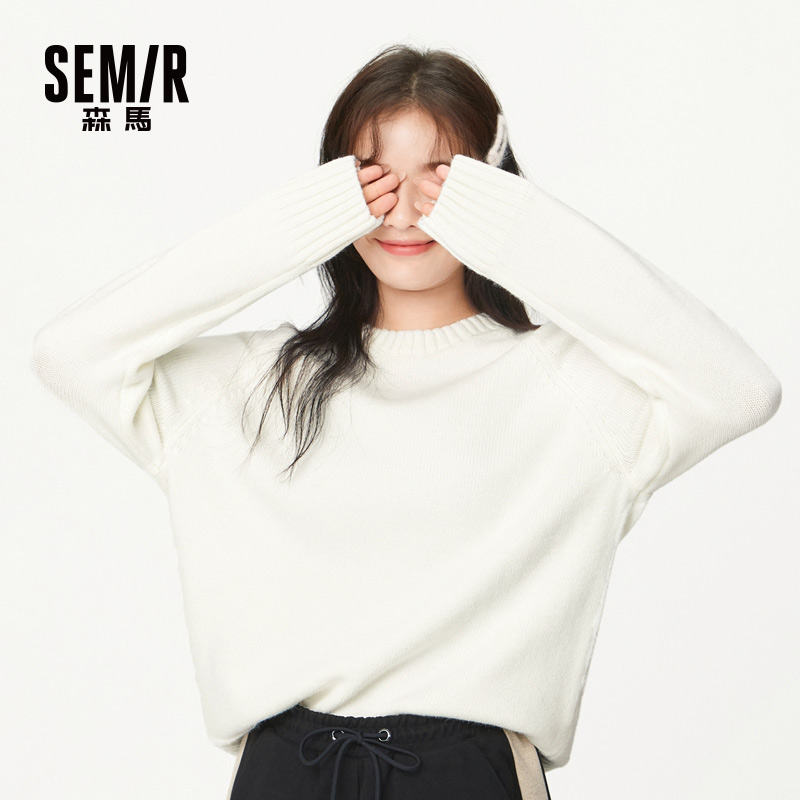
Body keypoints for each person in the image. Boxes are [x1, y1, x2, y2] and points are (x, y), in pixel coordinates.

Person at [29, 43, 782, 800]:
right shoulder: (248, 384)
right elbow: (71, 354)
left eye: (443, 177)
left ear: (492, 194)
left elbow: (739, 390)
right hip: (286, 773)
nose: (405, 208)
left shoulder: (570, 390)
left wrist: (514, 228)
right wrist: (303, 222)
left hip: (469, 774)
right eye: (373, 175)